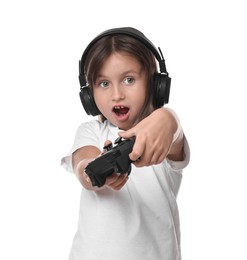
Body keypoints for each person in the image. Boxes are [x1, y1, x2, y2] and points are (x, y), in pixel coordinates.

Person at [61, 27, 190, 260]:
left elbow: (175, 140)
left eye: (129, 80)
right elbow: (83, 163)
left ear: (156, 83)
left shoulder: (160, 134)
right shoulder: (91, 131)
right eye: (103, 84)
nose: (117, 94)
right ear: (88, 95)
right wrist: (94, 171)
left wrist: (168, 119)